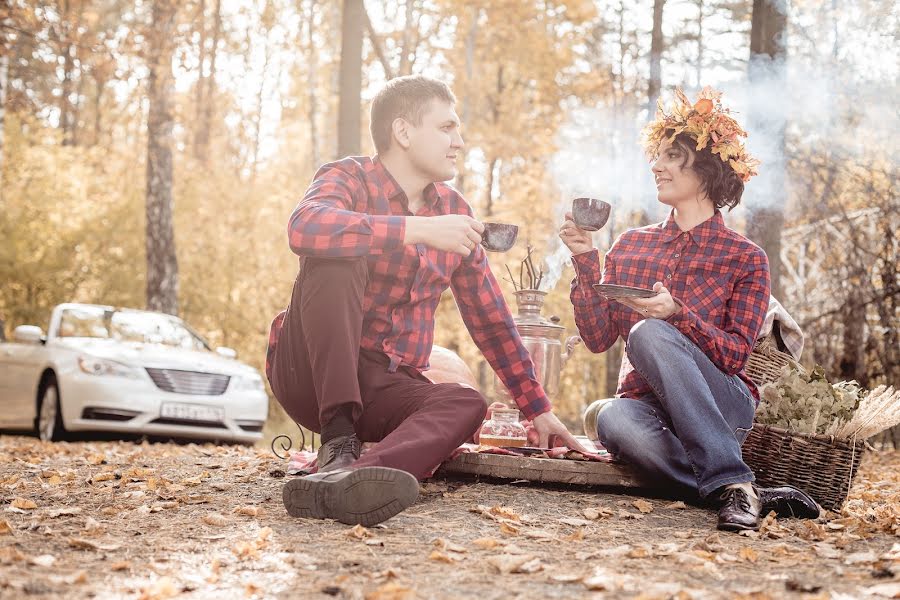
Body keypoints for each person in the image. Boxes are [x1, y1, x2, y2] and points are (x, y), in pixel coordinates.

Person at [267, 75, 585, 527]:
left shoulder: (455, 210)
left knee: (464, 401)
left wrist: (538, 409)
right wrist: (414, 229)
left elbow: (491, 320)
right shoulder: (347, 177)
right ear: (403, 132)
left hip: (383, 382)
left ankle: (352, 482)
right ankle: (337, 443)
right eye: (446, 128)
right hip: (309, 371)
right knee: (337, 253)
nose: (459, 141)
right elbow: (305, 228)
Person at [560, 87, 817, 532]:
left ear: (707, 168)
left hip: (723, 404)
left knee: (648, 332)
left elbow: (735, 356)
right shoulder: (631, 244)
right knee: (612, 415)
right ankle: (739, 488)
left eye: (671, 156)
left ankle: (729, 476)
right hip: (648, 409)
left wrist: (676, 315)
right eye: (655, 156)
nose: (656, 166)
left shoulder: (745, 257)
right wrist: (586, 260)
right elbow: (599, 339)